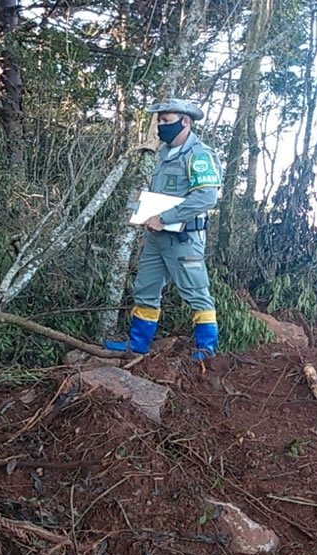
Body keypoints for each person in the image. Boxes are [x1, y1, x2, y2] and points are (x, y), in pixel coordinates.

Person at [104, 99, 222, 360]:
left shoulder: (199, 155)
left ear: (185, 121)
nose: (160, 125)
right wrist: (138, 212)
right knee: (145, 288)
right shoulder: (163, 153)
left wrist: (164, 217)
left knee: (196, 292)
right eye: (159, 120)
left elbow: (206, 198)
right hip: (155, 237)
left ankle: (206, 349)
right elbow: (159, 195)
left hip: (184, 238)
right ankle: (138, 346)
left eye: (166, 120)